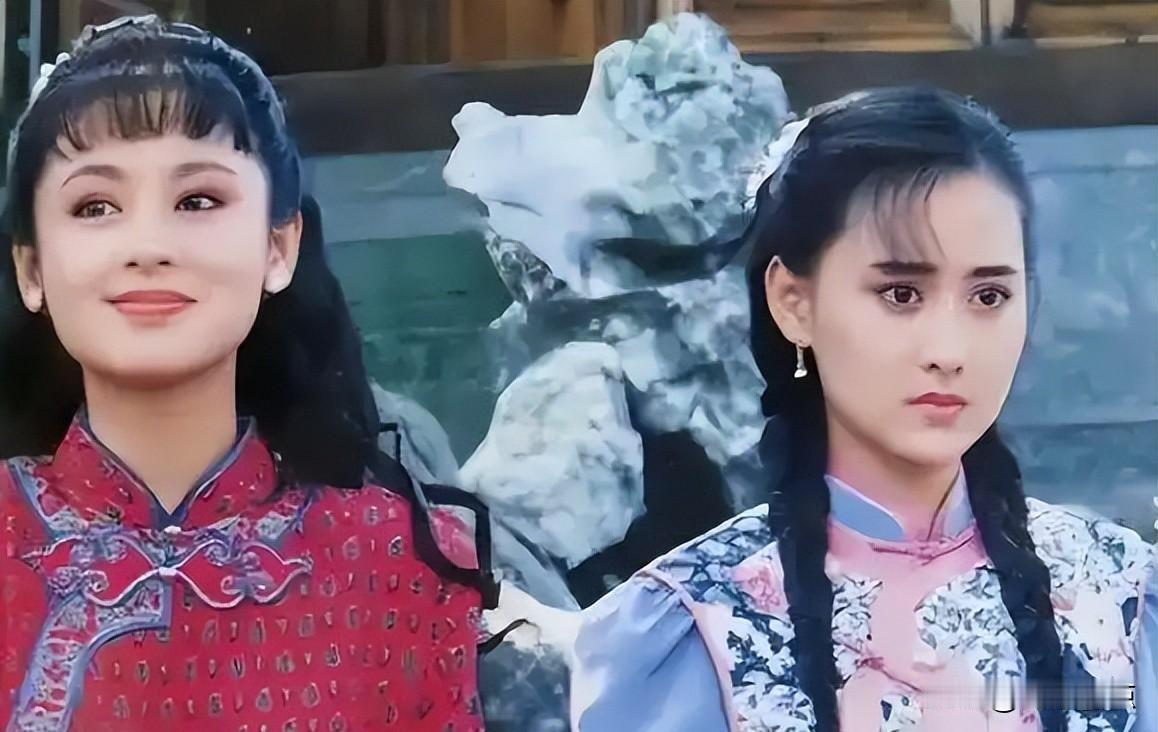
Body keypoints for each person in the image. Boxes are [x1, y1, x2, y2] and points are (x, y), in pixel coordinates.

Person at [570, 87, 1157, 732]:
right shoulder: (692, 624)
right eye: (901, 293)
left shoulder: (1120, 592)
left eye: (988, 296)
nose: (949, 351)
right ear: (793, 302)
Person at [0, 15, 496, 732]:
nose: (149, 245)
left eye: (197, 200)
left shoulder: (400, 563)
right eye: (96, 206)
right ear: (31, 268)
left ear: (278, 248)